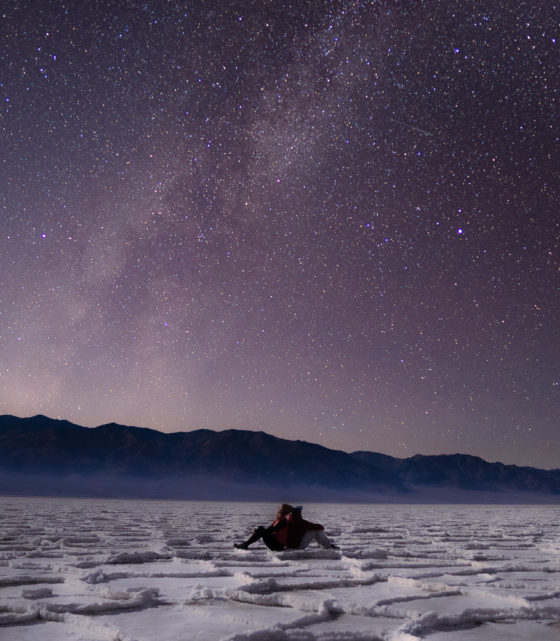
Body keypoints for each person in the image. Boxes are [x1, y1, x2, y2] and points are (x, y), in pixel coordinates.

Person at [234, 504, 338, 551]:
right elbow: (319, 527)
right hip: (281, 546)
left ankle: (245, 544)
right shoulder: (287, 521)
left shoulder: (284, 520)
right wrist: (259, 531)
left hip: (280, 544)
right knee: (315, 530)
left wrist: (258, 531)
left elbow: (269, 530)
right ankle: (328, 546)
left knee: (261, 529)